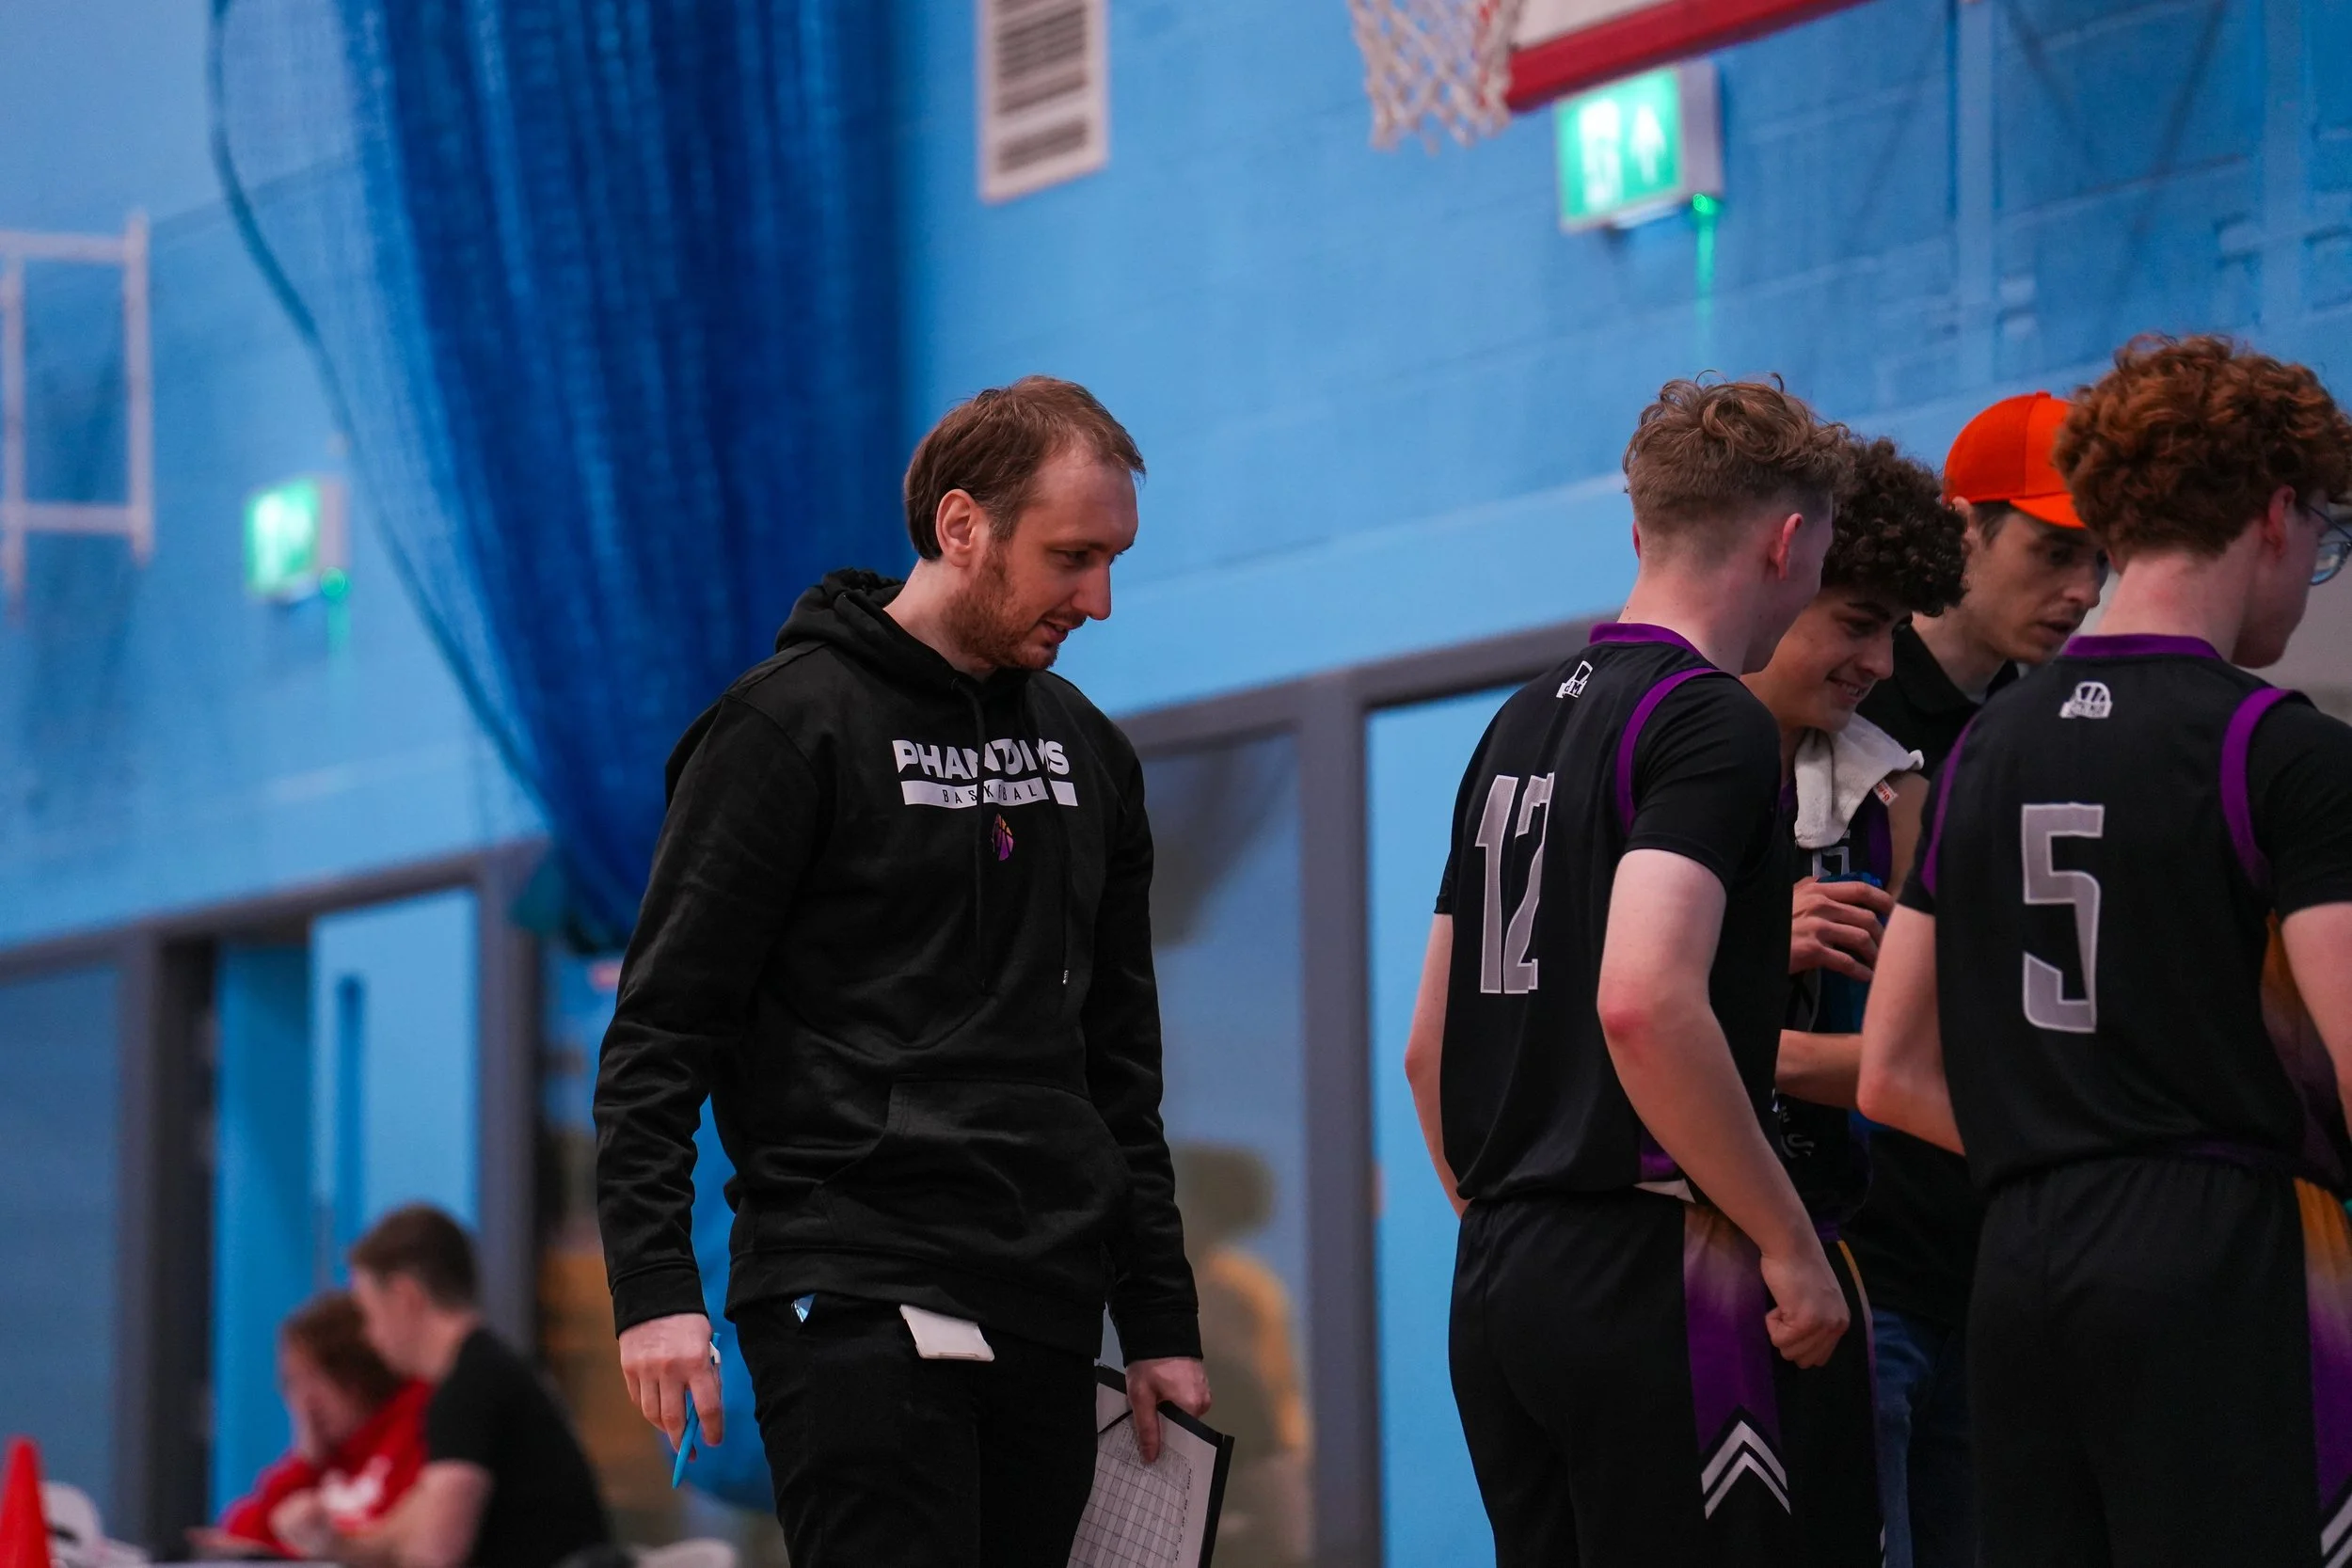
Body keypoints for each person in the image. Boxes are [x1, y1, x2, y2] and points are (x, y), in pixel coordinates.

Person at [594, 375, 1208, 1568]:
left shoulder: (1090, 753)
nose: (1100, 599)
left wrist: (1159, 1318)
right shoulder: (786, 729)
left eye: (1113, 560)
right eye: (1072, 557)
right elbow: (662, 1030)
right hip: (854, 1284)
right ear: (962, 525)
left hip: (1043, 1297)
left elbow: (1118, 1070)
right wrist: (655, 1286)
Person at [1859, 334, 2352, 1565]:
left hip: (2021, 1257)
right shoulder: (2280, 747)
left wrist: (2063, 1142)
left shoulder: (1984, 748)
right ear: (2277, 513)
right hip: (2223, 1251)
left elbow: (1888, 1072)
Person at [1403, 376, 1855, 1563]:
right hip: (1651, 1264)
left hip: (1497, 1269)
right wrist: (1789, 1241)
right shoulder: (1709, 719)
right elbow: (1643, 999)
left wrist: (1523, 1213)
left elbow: (1422, 1048)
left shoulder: (1510, 726)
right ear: (1789, 541)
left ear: (1639, 528)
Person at [1843, 388, 2106, 1568]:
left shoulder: (2047, 725)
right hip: (1864, 1260)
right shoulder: (1834, 697)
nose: (2081, 589)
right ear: (1964, 530)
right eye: (2052, 552)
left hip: (2000, 1263)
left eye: (2098, 558)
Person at [1742, 435, 1969, 1565]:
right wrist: (1738, 977)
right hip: (1691, 1264)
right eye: (1855, 621)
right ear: (1777, 578)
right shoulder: (1649, 753)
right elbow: (1603, 1024)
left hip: (1857, 1259)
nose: (1878, 659)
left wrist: (1741, 1038)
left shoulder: (1890, 790)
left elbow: (1914, 1055)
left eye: (1894, 628)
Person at [270, 1204, 613, 1568]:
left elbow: (434, 1553)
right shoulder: (488, 1371)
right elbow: (405, 1529)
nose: (371, 1338)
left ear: (406, 1298)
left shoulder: (468, 1389)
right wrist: (335, 1544)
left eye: (369, 1315)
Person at [196, 1292, 432, 1559]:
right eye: (293, 1383)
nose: (305, 1403)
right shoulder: (324, 1464)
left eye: (314, 1379)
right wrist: (305, 1462)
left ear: (357, 1373)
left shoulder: (416, 1430)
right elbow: (242, 1540)